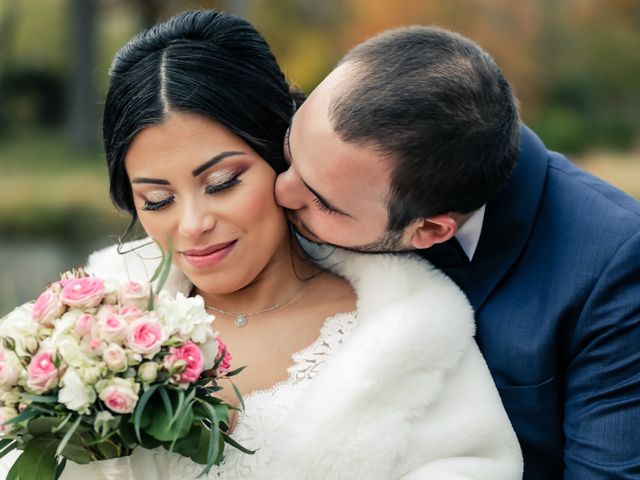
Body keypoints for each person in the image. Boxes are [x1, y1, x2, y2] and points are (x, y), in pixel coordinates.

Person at [0, 10, 521, 480]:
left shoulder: (409, 331)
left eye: (223, 182)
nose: (193, 224)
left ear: (283, 150)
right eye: (157, 200)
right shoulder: (81, 325)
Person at [275, 25, 640, 480]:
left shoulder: (612, 263)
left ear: (428, 230)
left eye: (321, 201)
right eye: (291, 146)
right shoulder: (318, 170)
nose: (280, 191)